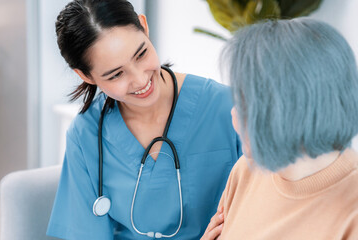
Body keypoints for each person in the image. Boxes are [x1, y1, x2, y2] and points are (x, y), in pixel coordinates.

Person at [46, 0, 241, 239]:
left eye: (141, 54)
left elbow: (269, 214)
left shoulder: (228, 108)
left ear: (144, 26)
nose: (140, 80)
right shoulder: (85, 134)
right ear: (86, 75)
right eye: (116, 74)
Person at [212, 18, 358, 239]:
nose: (234, 112)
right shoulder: (246, 172)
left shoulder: (351, 214)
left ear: (290, 108)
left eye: (245, 100)